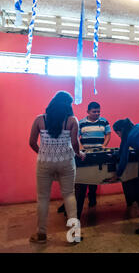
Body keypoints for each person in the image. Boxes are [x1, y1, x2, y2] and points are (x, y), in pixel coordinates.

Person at [28, 91, 85, 244]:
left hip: (45, 163)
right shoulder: (72, 120)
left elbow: (32, 142)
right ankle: (73, 235)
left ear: (52, 103)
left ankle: (41, 234)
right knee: (69, 195)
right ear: (68, 105)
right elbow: (74, 144)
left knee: (42, 198)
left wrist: (44, 153)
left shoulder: (40, 120)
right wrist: (79, 154)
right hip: (66, 162)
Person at [57, 101, 111, 217]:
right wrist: (80, 149)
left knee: (96, 176)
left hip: (99, 153)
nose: (96, 113)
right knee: (83, 178)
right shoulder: (81, 123)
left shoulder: (104, 121)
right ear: (88, 112)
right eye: (94, 111)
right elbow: (76, 137)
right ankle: (75, 204)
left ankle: (92, 198)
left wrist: (104, 145)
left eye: (98, 111)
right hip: (85, 154)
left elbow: (108, 134)